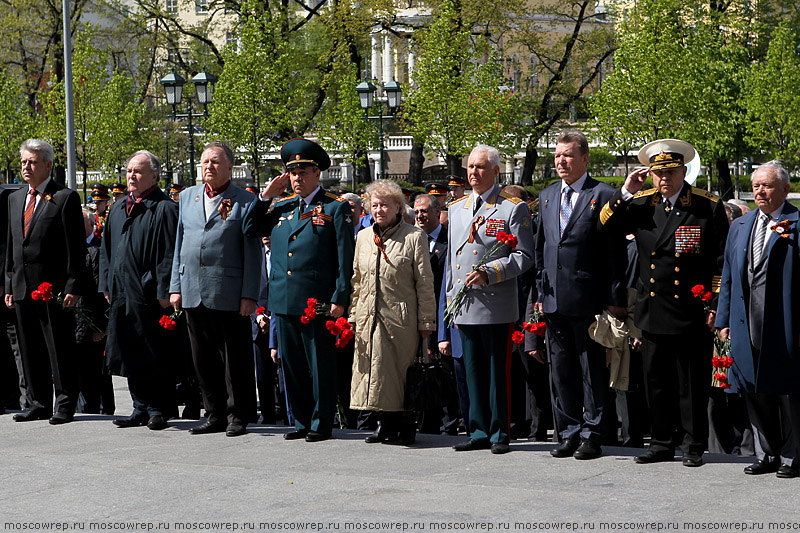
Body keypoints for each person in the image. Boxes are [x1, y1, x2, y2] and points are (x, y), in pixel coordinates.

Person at [599, 138, 729, 467]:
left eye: (671, 172)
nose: (664, 179)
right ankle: (660, 442)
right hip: (653, 308)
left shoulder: (705, 205)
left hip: (689, 309)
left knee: (690, 382)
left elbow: (719, 260)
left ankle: (693, 443)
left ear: (683, 171)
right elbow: (604, 226)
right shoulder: (641, 204)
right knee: (655, 380)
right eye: (658, 173)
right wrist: (626, 190)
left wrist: (713, 302)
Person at [243, 138, 355, 442]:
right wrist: (265, 196)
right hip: (284, 299)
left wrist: (340, 299)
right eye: (292, 173)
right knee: (290, 365)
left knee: (319, 364)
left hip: (317, 302)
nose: (297, 178)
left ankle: (321, 423)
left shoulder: (335, 207)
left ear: (317, 173)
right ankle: (302, 421)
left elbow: (345, 260)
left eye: (303, 172)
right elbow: (250, 229)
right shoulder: (281, 207)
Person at [533, 131, 627, 460]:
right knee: (561, 370)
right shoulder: (546, 197)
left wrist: (615, 302)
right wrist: (538, 296)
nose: (561, 161)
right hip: (554, 300)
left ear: (585, 158)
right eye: (558, 155)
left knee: (592, 372)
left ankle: (593, 433)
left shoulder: (602, 194)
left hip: (590, 301)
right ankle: (569, 431)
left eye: (568, 155)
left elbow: (615, 254)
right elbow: (542, 249)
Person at [445, 145, 534, 454]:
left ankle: (499, 433)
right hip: (464, 303)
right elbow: (451, 261)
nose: (474, 172)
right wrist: (449, 297)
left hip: (495, 303)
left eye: (481, 167)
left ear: (496, 171)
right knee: (471, 371)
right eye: (471, 166)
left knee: (497, 372)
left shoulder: (511, 208)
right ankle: (478, 429)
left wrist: (491, 271)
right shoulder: (457, 208)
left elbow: (524, 256)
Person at [169, 141, 261, 437]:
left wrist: (249, 295)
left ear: (230, 167)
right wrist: (176, 286)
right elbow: (179, 245)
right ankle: (214, 413)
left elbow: (252, 251)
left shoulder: (244, 200)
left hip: (229, 292)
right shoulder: (187, 197)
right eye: (205, 161)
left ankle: (238, 414)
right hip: (193, 288)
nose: (209, 166)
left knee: (234, 359)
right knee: (202, 358)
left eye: (216, 162)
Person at [715, 161, 800, 478]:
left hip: (785, 322)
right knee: (753, 387)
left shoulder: (796, 222)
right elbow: (728, 277)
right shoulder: (740, 225)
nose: (760, 191)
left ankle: (794, 456)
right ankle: (767, 453)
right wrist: (723, 319)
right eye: (756, 186)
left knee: (790, 391)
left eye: (766, 185)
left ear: (785, 189)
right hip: (744, 320)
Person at [5, 139, 86, 425]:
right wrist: (9, 284)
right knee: (29, 347)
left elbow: (76, 248)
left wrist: (74, 286)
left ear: (48, 165)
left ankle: (64, 404)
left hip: (53, 290)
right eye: (24, 161)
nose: (27, 167)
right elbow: (12, 244)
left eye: (33, 162)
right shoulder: (15, 199)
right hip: (22, 287)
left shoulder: (64, 198)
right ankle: (37, 402)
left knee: (58, 347)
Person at [349, 180, 436, 445]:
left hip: (401, 319)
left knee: (398, 372)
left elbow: (424, 283)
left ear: (398, 207)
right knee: (373, 371)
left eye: (384, 205)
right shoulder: (364, 237)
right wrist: (353, 314)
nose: (379, 210)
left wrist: (426, 323)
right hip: (369, 315)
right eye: (374, 205)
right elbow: (357, 278)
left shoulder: (413, 236)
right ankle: (384, 423)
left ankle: (405, 423)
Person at [100, 150, 179, 431]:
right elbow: (107, 251)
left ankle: (158, 408)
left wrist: (164, 289)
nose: (131, 176)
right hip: (121, 291)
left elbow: (169, 253)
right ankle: (139, 406)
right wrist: (106, 284)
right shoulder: (119, 208)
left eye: (138, 171)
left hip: (148, 293)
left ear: (154, 176)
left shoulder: (164, 208)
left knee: (152, 350)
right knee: (129, 347)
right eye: (129, 171)